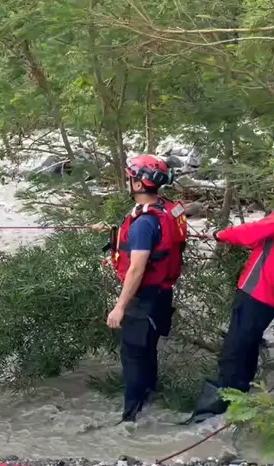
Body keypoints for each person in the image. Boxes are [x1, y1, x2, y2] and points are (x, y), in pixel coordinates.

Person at [187, 154, 274, 424]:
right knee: (246, 348)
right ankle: (240, 410)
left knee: (234, 352)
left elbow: (252, 232)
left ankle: (208, 420)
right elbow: (271, 239)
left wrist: (219, 234)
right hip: (271, 293)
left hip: (257, 290)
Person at [101, 155, 187, 423]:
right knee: (148, 349)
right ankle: (150, 397)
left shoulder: (144, 225)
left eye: (130, 178)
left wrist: (119, 306)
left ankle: (130, 418)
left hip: (143, 298)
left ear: (138, 184)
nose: (128, 181)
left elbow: (136, 269)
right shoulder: (165, 209)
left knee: (134, 356)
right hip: (162, 294)